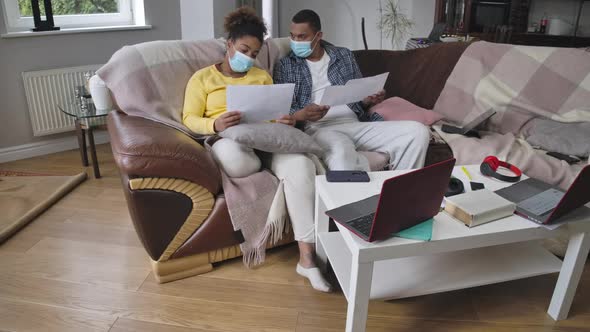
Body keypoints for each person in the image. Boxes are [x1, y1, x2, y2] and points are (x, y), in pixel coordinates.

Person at [182, 7, 331, 292]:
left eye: (254, 53)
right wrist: (215, 123)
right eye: (244, 50)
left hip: (267, 139)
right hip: (230, 139)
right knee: (238, 162)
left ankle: (307, 259)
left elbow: (274, 114)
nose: (248, 58)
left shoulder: (261, 76)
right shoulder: (202, 79)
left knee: (302, 166)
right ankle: (261, 168)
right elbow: (188, 118)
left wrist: (284, 119)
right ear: (229, 45)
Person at [274, 9, 430, 171]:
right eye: (292, 36)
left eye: (302, 37)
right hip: (320, 129)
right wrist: (302, 115)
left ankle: (400, 191)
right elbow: (283, 111)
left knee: (417, 132)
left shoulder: (344, 56)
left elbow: (357, 97)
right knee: (342, 151)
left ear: (318, 36)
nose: (295, 41)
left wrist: (368, 99)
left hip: (355, 124)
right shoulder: (285, 66)